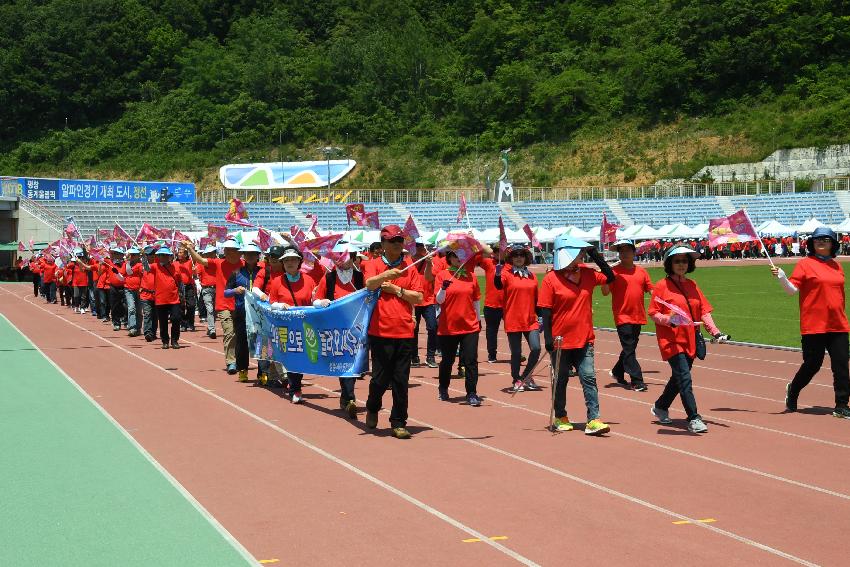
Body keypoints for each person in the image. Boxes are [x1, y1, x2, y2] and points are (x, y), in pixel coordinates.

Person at [538, 235, 614, 436]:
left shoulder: (588, 274)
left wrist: (595, 255)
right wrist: (547, 338)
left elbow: (611, 277)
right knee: (561, 379)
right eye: (578, 252)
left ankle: (594, 419)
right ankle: (561, 415)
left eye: (582, 252)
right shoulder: (550, 279)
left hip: (584, 338)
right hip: (560, 341)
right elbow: (545, 311)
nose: (580, 255)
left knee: (588, 377)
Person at [771, 227, 850, 419]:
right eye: (817, 239)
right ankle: (794, 389)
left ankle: (841, 405)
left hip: (838, 323)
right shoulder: (805, 264)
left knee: (841, 365)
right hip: (814, 323)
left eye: (826, 239)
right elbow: (792, 290)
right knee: (813, 364)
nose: (821, 242)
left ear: (833, 243)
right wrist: (782, 277)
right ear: (811, 244)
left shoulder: (836, 266)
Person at [648, 244, 728, 434]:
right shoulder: (661, 286)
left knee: (679, 378)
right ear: (669, 263)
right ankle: (693, 417)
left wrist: (715, 332)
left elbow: (703, 311)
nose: (681, 264)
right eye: (677, 261)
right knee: (684, 377)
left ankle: (660, 405)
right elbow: (653, 313)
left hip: (691, 338)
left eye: (685, 261)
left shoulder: (692, 285)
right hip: (671, 339)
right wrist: (669, 320)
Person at [362, 225, 424, 439]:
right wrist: (385, 275)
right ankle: (372, 406)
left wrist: (397, 290)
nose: (397, 244)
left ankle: (398, 421)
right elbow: (369, 284)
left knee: (400, 379)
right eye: (392, 241)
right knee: (380, 378)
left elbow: (418, 297)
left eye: (400, 240)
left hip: (405, 331)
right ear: (383, 244)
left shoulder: (411, 267)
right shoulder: (372, 264)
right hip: (380, 330)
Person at [313, 241, 366, 417]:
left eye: (347, 256)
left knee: (354, 363)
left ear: (353, 258)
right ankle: (350, 397)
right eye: (339, 257)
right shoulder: (328, 278)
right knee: (344, 361)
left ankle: (346, 397)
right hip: (336, 329)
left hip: (357, 328)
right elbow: (316, 300)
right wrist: (321, 302)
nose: (343, 260)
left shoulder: (360, 277)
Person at [186, 239, 243, 374]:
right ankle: (231, 362)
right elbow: (201, 260)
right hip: (224, 305)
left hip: (241, 305)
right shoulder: (218, 263)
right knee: (229, 333)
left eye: (232, 250)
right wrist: (190, 249)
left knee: (240, 335)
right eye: (227, 250)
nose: (229, 253)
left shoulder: (245, 264)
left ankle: (241, 359)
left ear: (238, 252)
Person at [266, 246, 316, 403]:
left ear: (299, 261)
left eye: (293, 259)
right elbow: (271, 303)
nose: (290, 263)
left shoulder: (309, 280)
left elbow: (314, 301)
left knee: (302, 358)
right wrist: (280, 306)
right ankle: (295, 389)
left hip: (304, 325)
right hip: (284, 326)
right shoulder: (276, 282)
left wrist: (320, 303)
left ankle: (295, 385)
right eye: (286, 260)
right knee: (291, 357)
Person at [602, 240, 653, 391]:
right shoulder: (614, 272)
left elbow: (651, 289)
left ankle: (617, 372)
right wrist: (605, 279)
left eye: (627, 250)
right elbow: (605, 293)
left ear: (633, 253)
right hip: (622, 316)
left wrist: (663, 301)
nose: (624, 253)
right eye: (621, 251)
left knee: (629, 348)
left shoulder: (641, 271)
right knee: (630, 348)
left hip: (638, 315)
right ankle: (637, 380)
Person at [434, 250, 483, 406]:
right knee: (448, 361)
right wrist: (443, 288)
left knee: (470, 361)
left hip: (469, 326)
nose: (458, 259)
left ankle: (471, 392)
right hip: (449, 326)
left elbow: (476, 300)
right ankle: (443, 387)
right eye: (455, 256)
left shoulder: (471, 276)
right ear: (449, 258)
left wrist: (478, 319)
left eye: (462, 256)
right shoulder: (442, 275)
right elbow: (439, 301)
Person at [494, 243, 541, 392]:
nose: (519, 258)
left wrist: (541, 317)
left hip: (530, 319)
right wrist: (497, 274)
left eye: (522, 255)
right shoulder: (506, 275)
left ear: (526, 257)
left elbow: (536, 299)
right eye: (516, 255)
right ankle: (516, 378)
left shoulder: (532, 276)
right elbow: (498, 286)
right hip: (513, 319)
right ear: (511, 258)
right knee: (516, 353)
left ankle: (526, 376)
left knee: (536, 348)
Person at [224, 243, 263, 383]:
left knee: (261, 342)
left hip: (260, 314)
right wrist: (235, 290)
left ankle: (262, 372)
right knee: (242, 342)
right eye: (247, 254)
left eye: (253, 254)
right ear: (243, 256)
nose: (250, 256)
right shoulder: (236, 273)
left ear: (258, 256)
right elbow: (226, 292)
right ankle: (243, 370)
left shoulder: (264, 273)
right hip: (241, 313)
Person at [142, 246, 183, 349]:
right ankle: (165, 341)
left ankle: (174, 340)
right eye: (161, 255)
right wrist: (143, 256)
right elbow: (146, 268)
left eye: (165, 255)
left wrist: (183, 295)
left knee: (176, 318)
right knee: (163, 321)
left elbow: (180, 282)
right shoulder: (155, 266)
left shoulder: (175, 267)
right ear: (158, 257)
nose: (163, 257)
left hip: (174, 299)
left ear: (169, 257)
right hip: (160, 299)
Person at [411, 241, 438, 368]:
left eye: (422, 246)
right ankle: (414, 356)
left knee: (433, 327)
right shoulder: (409, 261)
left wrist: (428, 262)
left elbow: (431, 277)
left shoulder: (431, 260)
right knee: (413, 330)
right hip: (414, 300)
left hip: (428, 300)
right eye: (417, 246)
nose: (420, 248)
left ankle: (430, 356)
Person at [478, 243, 505, 363]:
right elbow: (478, 255)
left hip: (508, 304)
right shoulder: (489, 262)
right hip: (491, 304)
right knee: (491, 332)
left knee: (514, 332)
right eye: (496, 251)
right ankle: (492, 354)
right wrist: (475, 241)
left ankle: (516, 353)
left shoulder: (511, 265)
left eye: (502, 251)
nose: (499, 253)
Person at [197, 244, 218, 338]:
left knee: (215, 310)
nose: (211, 254)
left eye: (212, 253)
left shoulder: (218, 262)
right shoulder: (202, 264)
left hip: (217, 288)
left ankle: (210, 328)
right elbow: (198, 275)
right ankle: (212, 329)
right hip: (207, 289)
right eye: (209, 253)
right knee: (209, 309)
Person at [139, 246, 159, 342]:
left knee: (155, 315)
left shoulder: (158, 265)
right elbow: (146, 267)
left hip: (156, 295)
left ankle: (153, 332)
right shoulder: (143, 266)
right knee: (147, 314)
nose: (150, 256)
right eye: (148, 255)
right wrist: (143, 256)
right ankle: (147, 333)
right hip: (145, 294)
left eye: (151, 254)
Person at [175, 247, 197, 332]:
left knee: (191, 305)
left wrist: (190, 248)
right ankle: (183, 324)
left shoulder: (190, 262)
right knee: (181, 306)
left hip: (189, 286)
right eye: (179, 252)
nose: (179, 254)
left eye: (181, 252)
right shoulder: (175, 263)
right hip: (179, 287)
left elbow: (195, 258)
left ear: (185, 254)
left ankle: (190, 323)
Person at [123, 247, 143, 337]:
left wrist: (142, 287)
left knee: (139, 310)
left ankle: (138, 328)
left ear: (138, 256)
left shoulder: (140, 265)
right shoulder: (126, 264)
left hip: (139, 289)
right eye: (131, 255)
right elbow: (125, 273)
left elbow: (131, 273)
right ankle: (132, 328)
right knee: (131, 308)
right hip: (128, 289)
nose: (132, 256)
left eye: (134, 255)